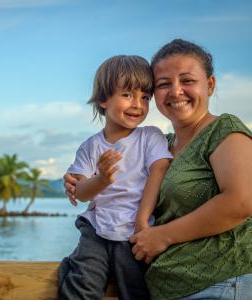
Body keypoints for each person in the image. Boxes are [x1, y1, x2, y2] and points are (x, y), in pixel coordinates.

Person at [64, 39, 252, 299]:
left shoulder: (223, 129)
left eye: (187, 80)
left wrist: (161, 236)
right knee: (74, 273)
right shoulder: (165, 144)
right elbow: (103, 186)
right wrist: (86, 183)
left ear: (209, 85)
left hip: (220, 285)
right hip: (168, 287)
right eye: (164, 84)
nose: (175, 91)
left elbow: (240, 202)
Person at [57, 55, 172, 300]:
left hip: (135, 231)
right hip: (96, 230)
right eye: (127, 95)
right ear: (102, 99)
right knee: (82, 283)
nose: (138, 105)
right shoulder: (90, 147)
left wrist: (142, 221)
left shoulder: (149, 137)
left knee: (136, 288)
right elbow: (80, 192)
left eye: (145, 97)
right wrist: (101, 180)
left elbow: (159, 172)